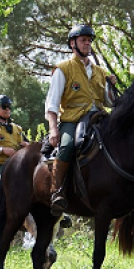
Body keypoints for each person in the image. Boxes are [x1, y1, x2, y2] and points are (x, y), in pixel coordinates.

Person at [44, 24, 117, 214]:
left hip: (99, 117)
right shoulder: (63, 69)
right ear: (72, 43)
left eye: (89, 40)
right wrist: (53, 129)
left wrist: (111, 87)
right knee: (68, 145)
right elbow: (52, 104)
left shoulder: (100, 72)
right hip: (73, 119)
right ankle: (56, 191)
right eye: (83, 40)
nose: (87, 44)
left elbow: (109, 102)